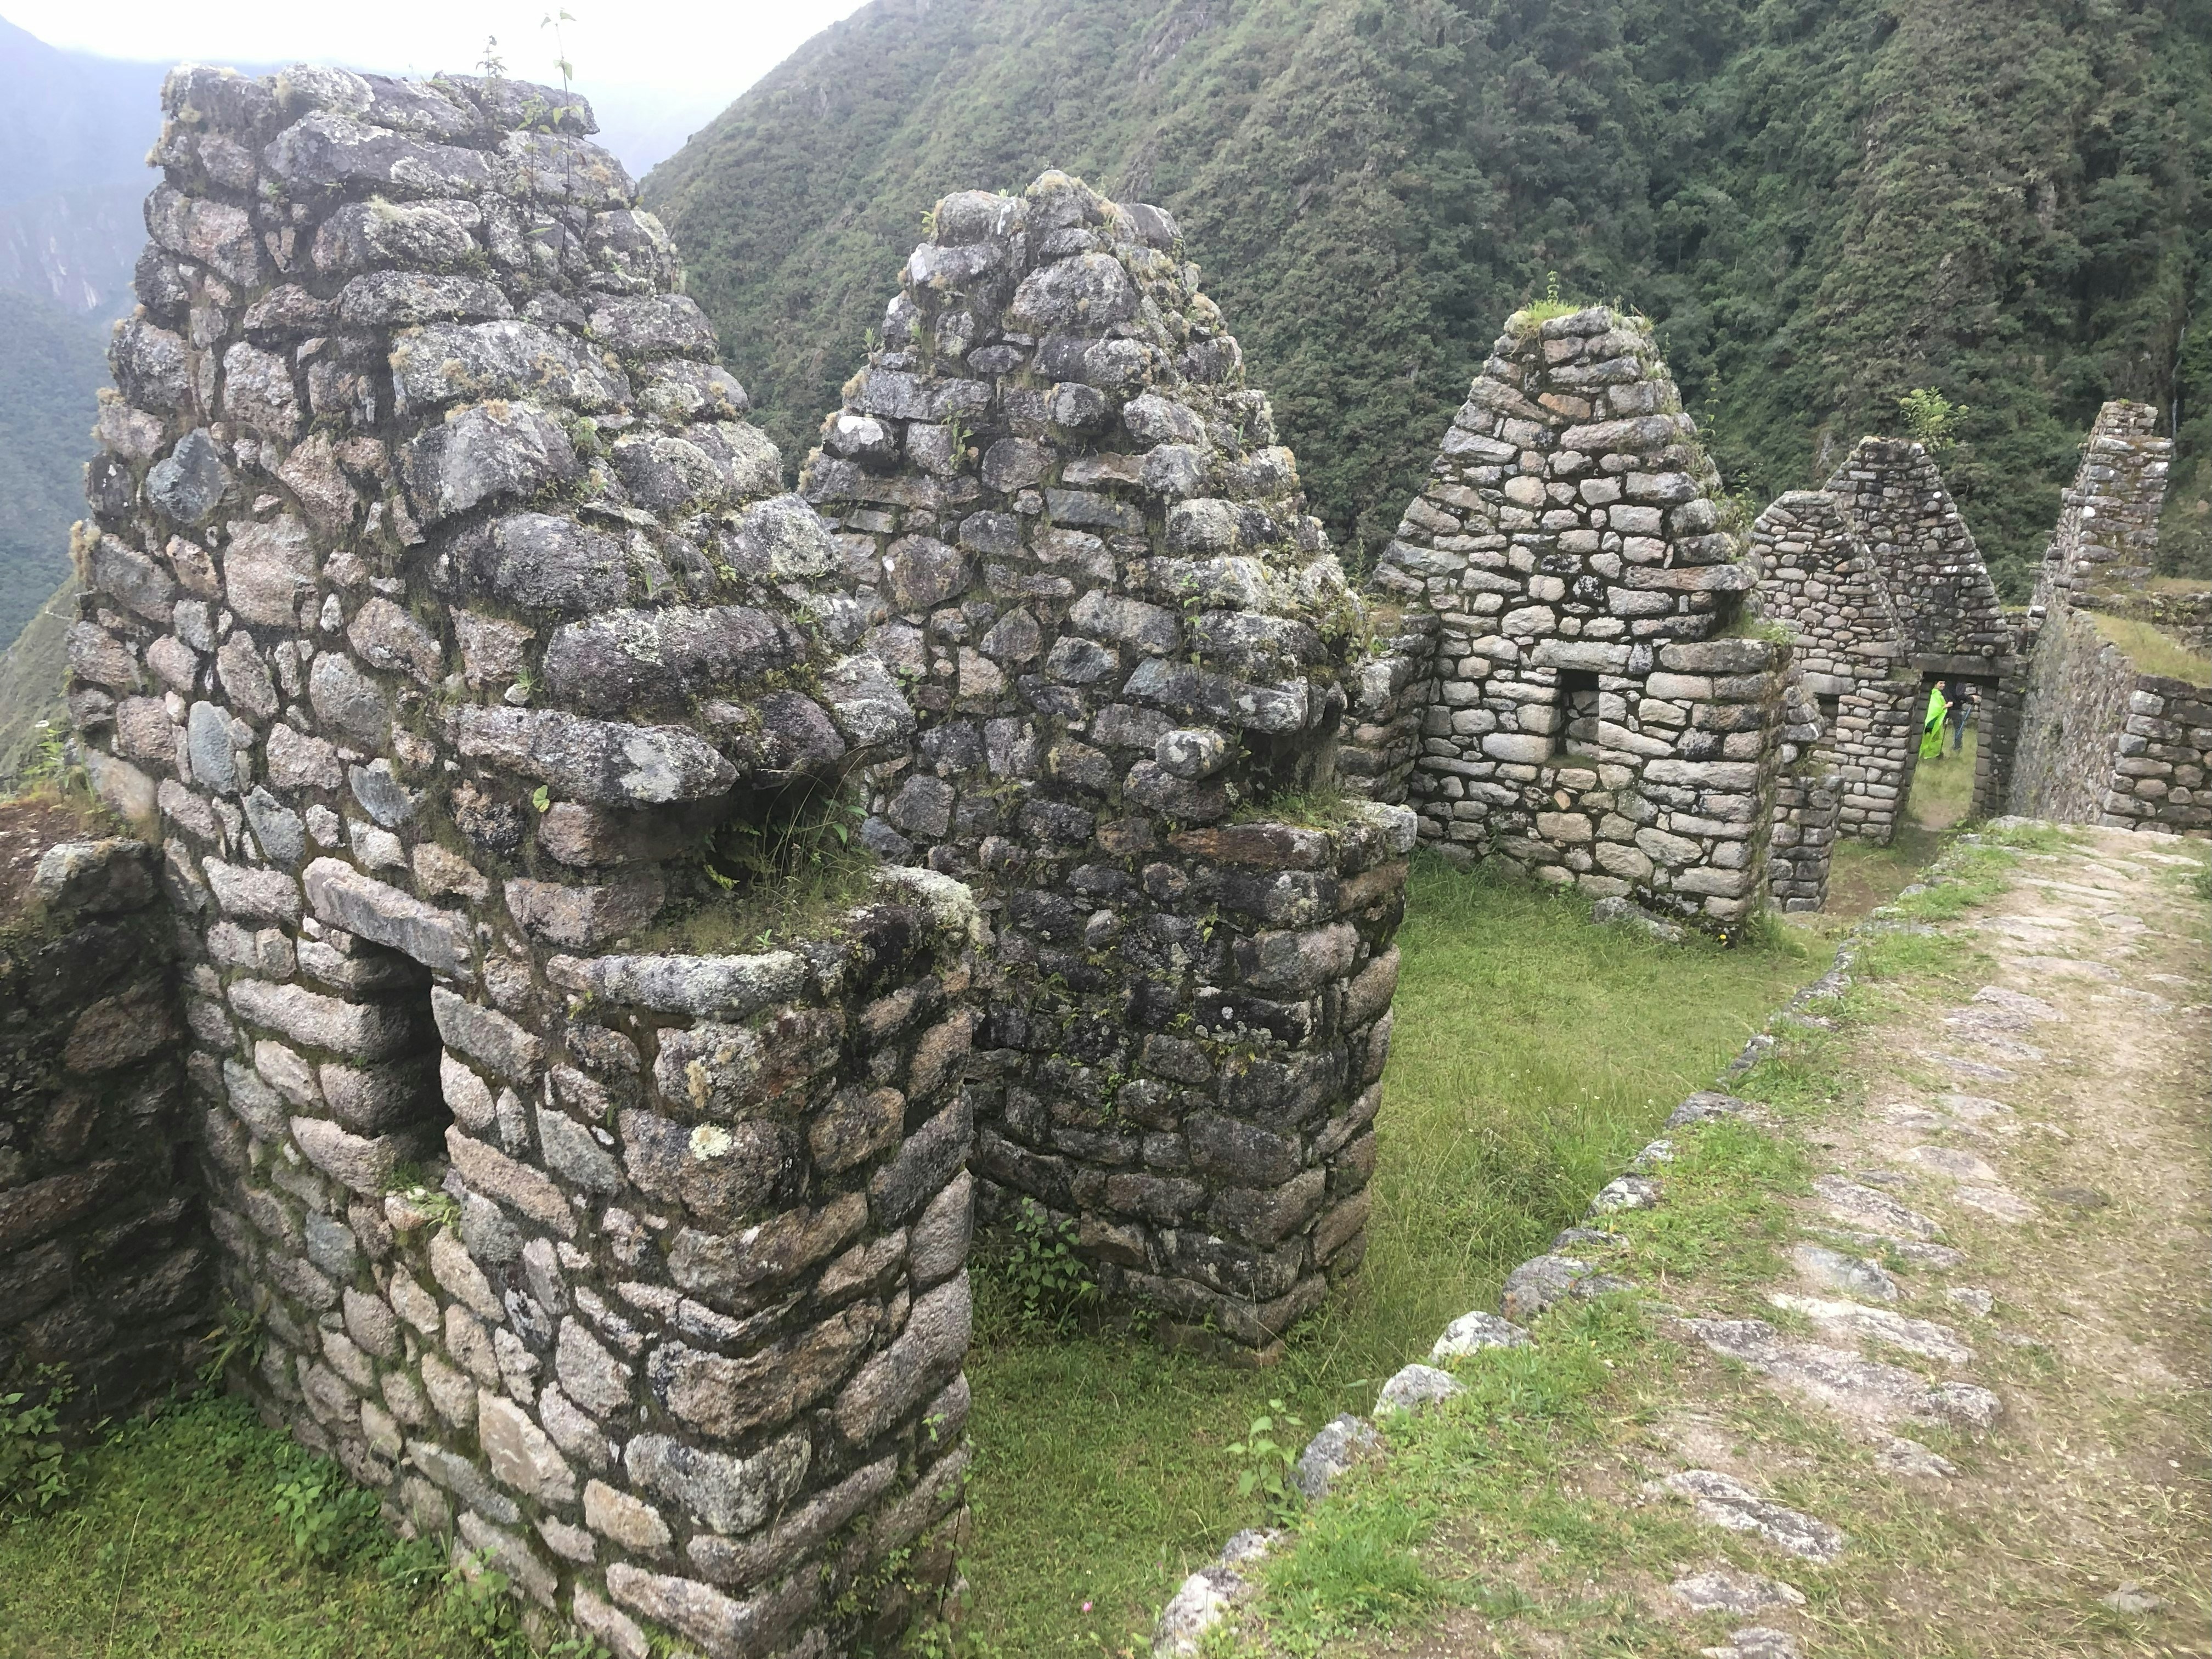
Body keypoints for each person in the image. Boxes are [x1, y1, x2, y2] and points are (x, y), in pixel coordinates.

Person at [1920, 682, 1948, 761]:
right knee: (1928, 738)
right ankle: (1926, 755)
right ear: (1935, 684)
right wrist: (1947, 705)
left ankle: (1927, 755)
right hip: (1931, 722)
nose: (1943, 685)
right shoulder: (1935, 694)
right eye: (1941, 683)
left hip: (1933, 721)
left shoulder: (1935, 694)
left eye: (1944, 683)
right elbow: (1935, 708)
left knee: (1931, 738)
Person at [1948, 682, 1973, 752]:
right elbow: (1959, 695)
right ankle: (1957, 747)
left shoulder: (1946, 681)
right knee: (1958, 728)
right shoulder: (1959, 682)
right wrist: (1970, 699)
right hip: (1955, 708)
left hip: (1943, 706)